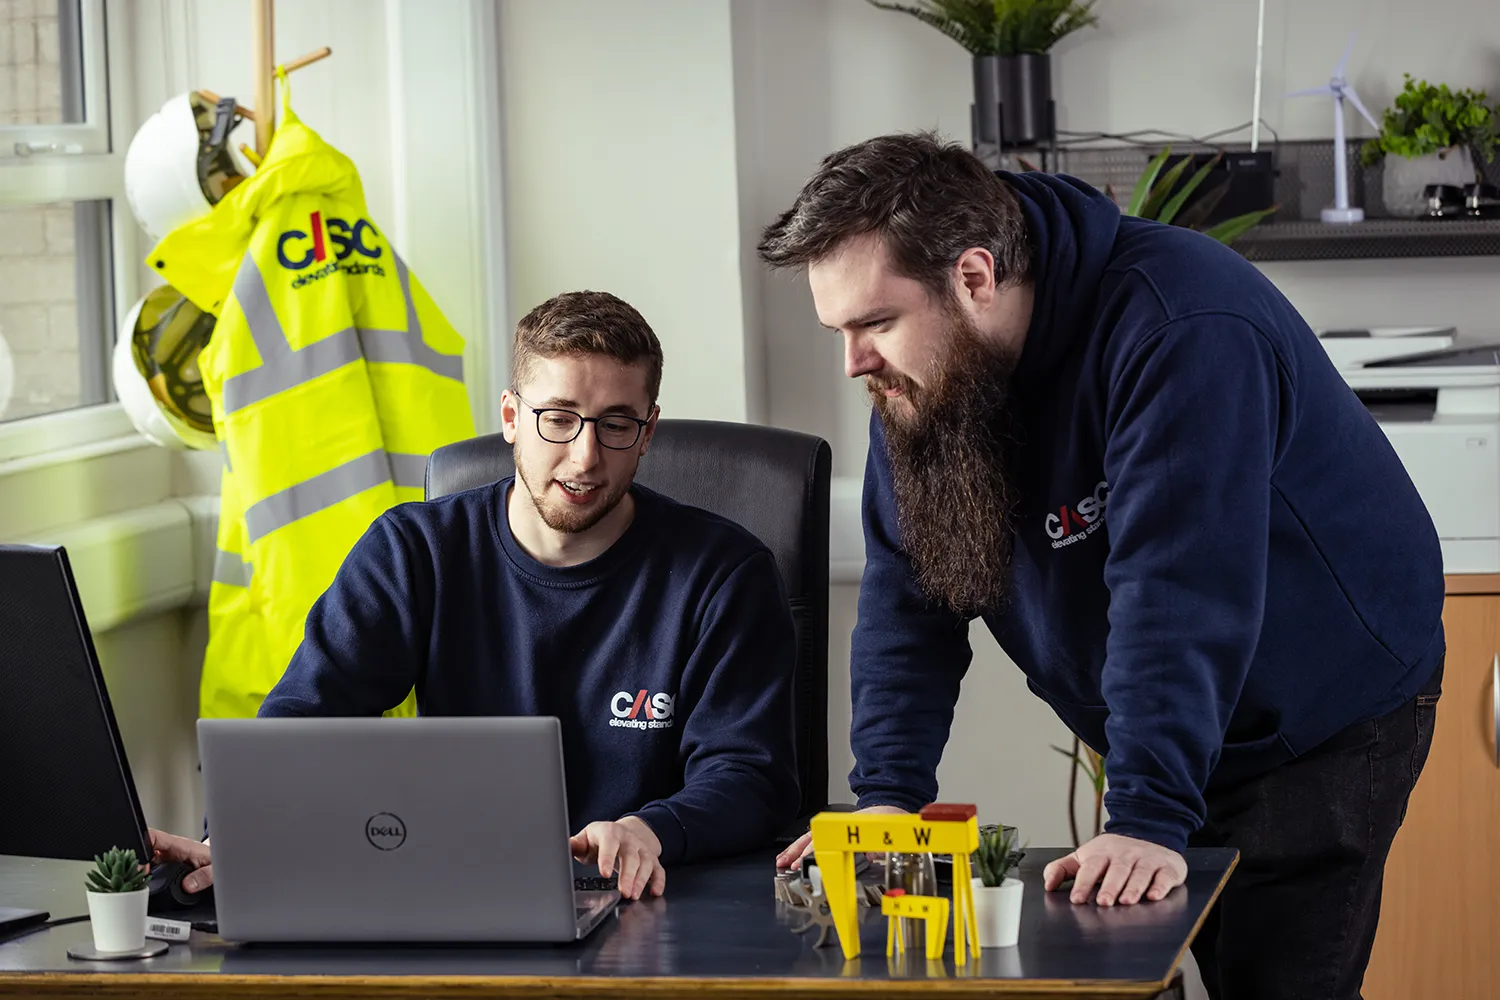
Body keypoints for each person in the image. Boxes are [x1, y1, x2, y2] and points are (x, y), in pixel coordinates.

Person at [760, 133, 1444, 1000]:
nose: (853, 360)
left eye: (874, 323)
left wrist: (1149, 816)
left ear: (974, 276)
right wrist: (888, 801)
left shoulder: (1179, 326)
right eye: (839, 329)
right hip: (1181, 714)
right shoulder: (922, 379)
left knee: (1275, 978)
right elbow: (910, 600)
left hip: (1325, 704)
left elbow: (1176, 592)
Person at [150, 290, 800, 901]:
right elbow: (304, 722)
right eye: (559, 419)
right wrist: (234, 837)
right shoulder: (414, 551)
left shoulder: (723, 573)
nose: (584, 456)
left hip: (650, 903)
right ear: (512, 417)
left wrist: (647, 830)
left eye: (616, 425)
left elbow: (747, 775)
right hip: (448, 893)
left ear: (649, 432)